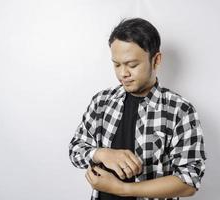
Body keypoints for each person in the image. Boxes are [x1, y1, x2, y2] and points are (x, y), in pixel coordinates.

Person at [68, 17, 207, 200]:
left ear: (156, 60)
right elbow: (75, 149)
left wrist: (122, 189)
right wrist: (101, 153)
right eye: (116, 64)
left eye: (132, 65)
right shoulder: (101, 101)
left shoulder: (180, 110)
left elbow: (189, 181)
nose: (123, 73)